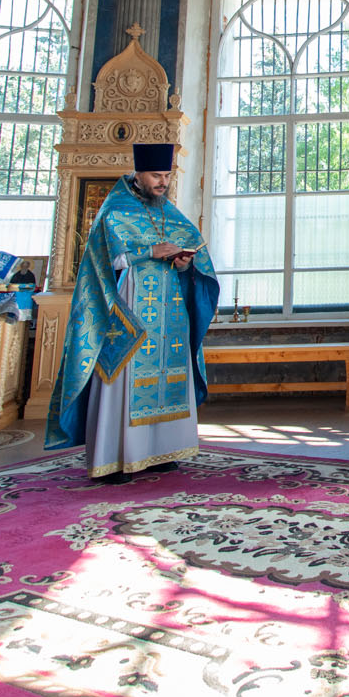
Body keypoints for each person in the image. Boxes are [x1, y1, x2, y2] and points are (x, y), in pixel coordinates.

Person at [46, 143, 219, 482]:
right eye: (156, 175)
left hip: (168, 316)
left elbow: (189, 258)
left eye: (166, 175)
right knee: (123, 382)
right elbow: (105, 261)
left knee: (168, 377)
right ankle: (115, 459)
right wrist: (150, 251)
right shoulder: (114, 210)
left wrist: (184, 263)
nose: (163, 182)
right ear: (138, 174)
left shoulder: (169, 211)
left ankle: (161, 452)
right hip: (127, 314)